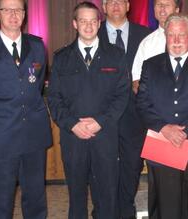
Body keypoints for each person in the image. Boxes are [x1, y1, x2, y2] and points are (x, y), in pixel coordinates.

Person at [0, 0, 52, 218]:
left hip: (33, 133)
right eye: (7, 10)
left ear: (24, 15)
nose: (13, 15)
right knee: (2, 198)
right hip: (1, 135)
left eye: (19, 10)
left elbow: (37, 83)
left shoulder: (36, 45)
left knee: (35, 197)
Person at [47, 2, 130, 218]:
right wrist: (72, 124)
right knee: (76, 197)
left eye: (93, 21)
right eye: (83, 21)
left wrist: (100, 121)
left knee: (107, 196)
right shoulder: (61, 58)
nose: (88, 25)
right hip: (73, 138)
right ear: (75, 24)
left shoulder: (116, 55)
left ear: (99, 22)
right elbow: (54, 99)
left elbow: (122, 96)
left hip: (105, 137)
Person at [136, 13, 188, 219]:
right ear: (165, 36)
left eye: (181, 35)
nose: (175, 40)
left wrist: (187, 131)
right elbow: (142, 103)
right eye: (171, 35)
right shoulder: (150, 65)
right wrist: (164, 128)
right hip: (162, 144)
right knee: (167, 208)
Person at [98, 1, 151, 218]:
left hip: (135, 116)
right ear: (103, 6)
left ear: (128, 5)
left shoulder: (145, 35)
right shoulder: (91, 31)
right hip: (102, 116)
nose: (116, 4)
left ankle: (126, 210)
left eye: (120, 0)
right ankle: (104, 211)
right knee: (103, 169)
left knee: (132, 167)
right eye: (110, 1)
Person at [131, 0, 188, 93]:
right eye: (159, 4)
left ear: (177, 9)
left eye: (167, 5)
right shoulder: (147, 43)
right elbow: (136, 81)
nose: (162, 8)